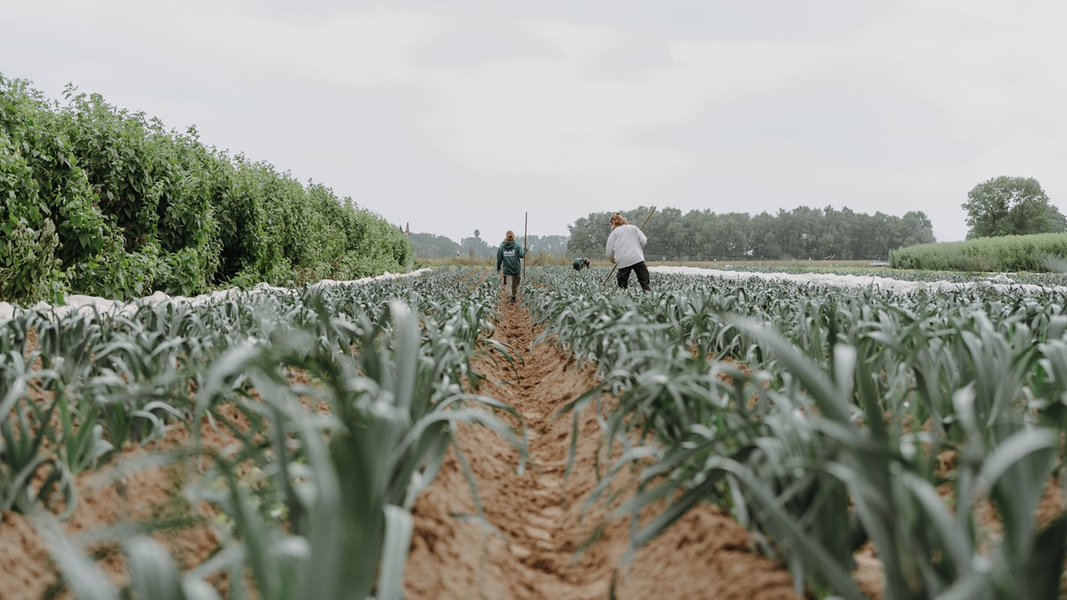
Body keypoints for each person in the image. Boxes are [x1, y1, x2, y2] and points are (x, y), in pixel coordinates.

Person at [605, 212, 650, 291]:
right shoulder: (633, 228)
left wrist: (614, 260)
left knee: (622, 284)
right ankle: (647, 293)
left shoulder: (613, 234)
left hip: (622, 261)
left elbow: (609, 252)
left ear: (613, 223)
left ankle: (624, 299)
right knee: (644, 280)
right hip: (637, 258)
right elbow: (644, 240)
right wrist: (637, 246)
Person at [496, 230, 526, 302]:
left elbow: (499, 258)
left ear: (506, 236)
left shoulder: (502, 247)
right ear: (514, 236)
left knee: (508, 284)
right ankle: (514, 296)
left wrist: (498, 267)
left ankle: (510, 298)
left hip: (507, 269)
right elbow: (521, 255)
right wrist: (525, 251)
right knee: (515, 284)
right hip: (516, 269)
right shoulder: (517, 246)